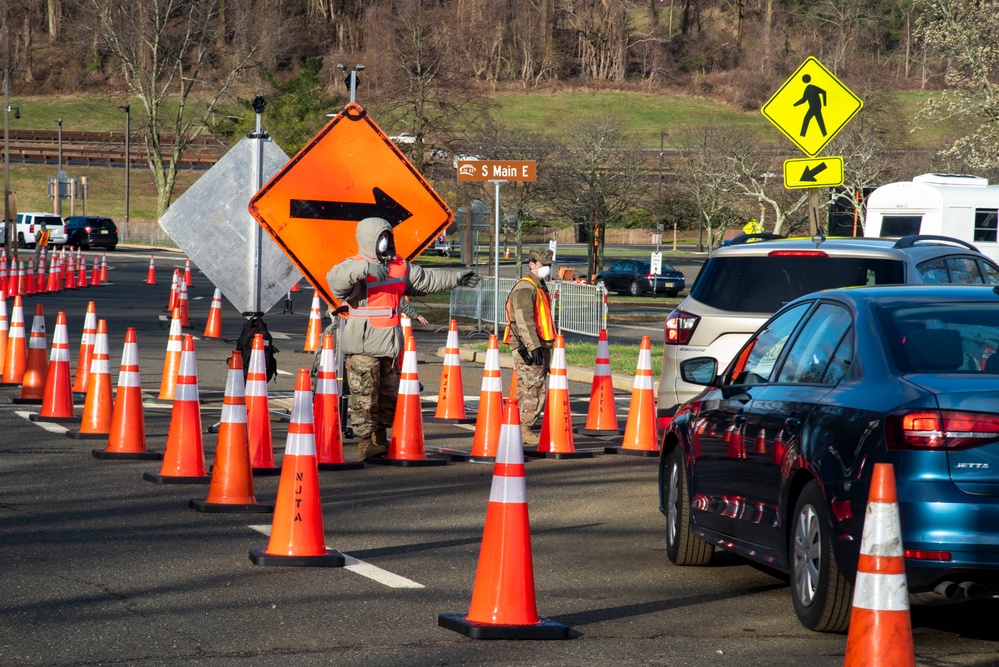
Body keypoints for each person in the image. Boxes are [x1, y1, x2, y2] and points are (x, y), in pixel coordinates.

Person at [327, 217, 480, 460]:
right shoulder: (354, 266)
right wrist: (365, 269)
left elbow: (427, 279)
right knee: (365, 398)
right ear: (369, 239)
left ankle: (379, 437)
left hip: (389, 343)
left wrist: (457, 277)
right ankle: (367, 443)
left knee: (389, 396)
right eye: (380, 237)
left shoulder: (399, 265)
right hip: (363, 345)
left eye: (387, 236)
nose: (385, 241)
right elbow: (335, 281)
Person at [503, 248, 556, 445]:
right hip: (528, 345)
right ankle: (523, 428)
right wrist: (533, 347)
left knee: (529, 386)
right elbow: (523, 321)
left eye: (549, 265)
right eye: (544, 265)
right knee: (533, 387)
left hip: (537, 344)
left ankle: (515, 425)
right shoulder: (526, 287)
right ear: (532, 264)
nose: (547, 269)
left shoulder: (538, 285)